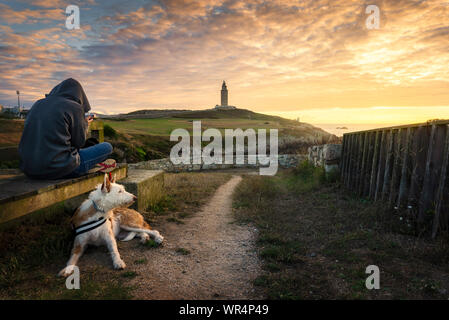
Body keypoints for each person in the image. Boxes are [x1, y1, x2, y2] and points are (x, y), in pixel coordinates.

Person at [19, 78, 114, 179]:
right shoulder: (74, 107)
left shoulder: (37, 104)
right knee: (107, 147)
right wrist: (85, 124)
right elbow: (79, 143)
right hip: (61, 169)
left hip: (29, 170)